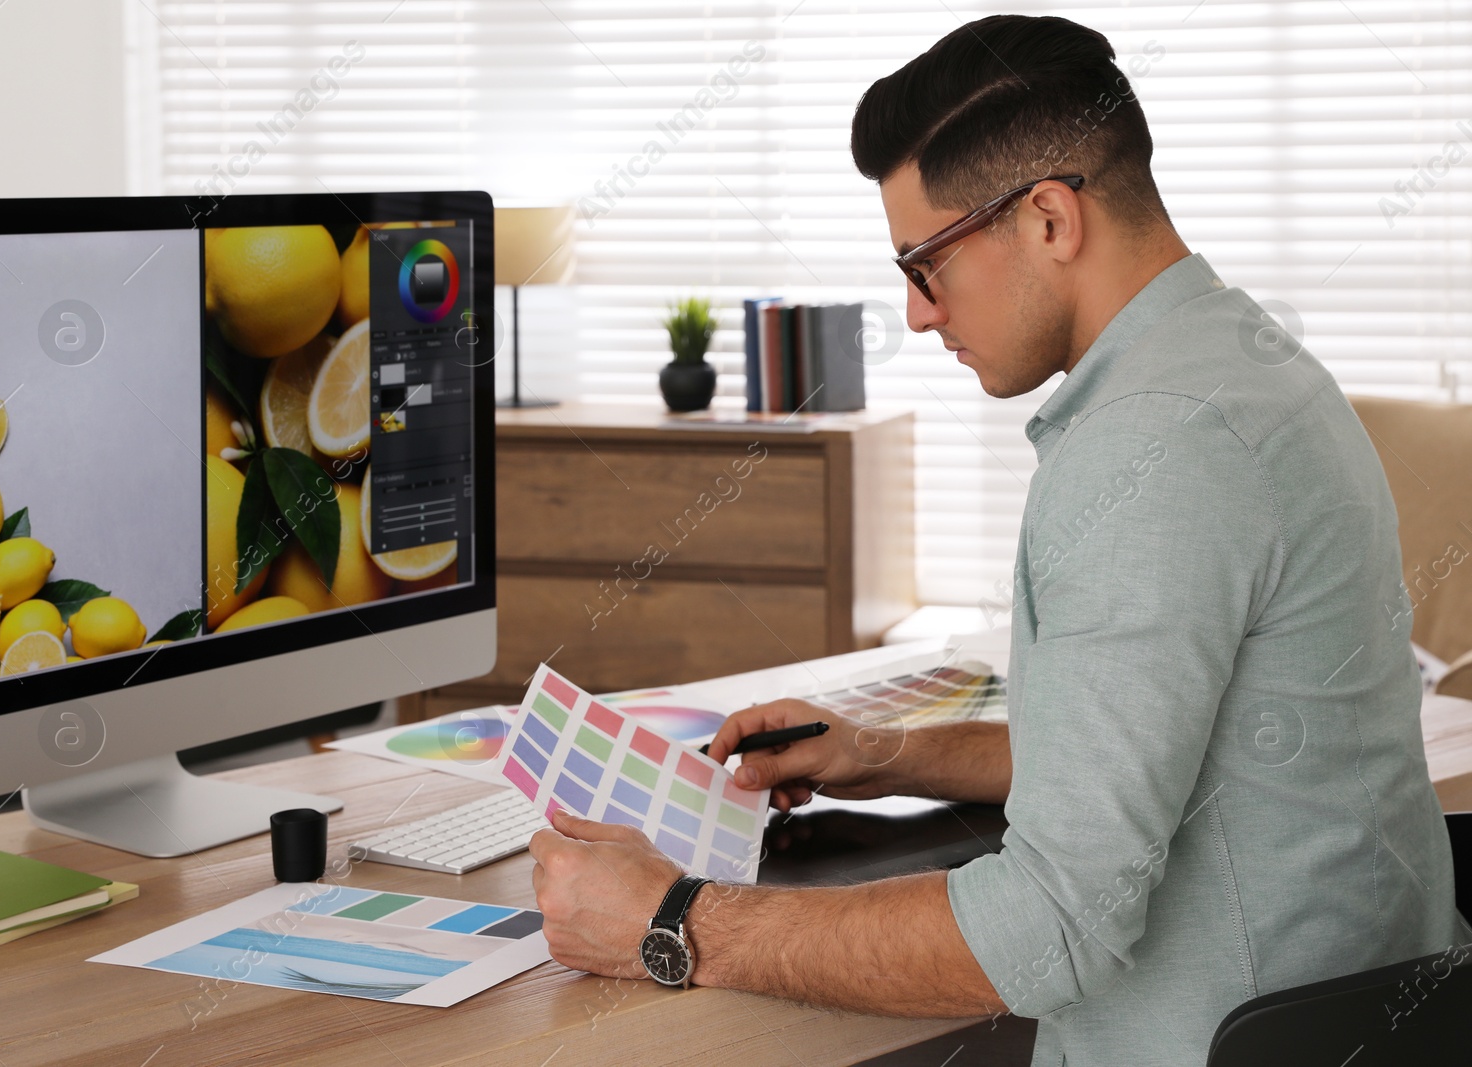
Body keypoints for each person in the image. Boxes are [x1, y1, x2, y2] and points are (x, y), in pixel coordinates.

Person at [529, 14, 1463, 1065]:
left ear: (1049, 218)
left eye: (924, 263)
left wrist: (675, 920)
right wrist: (891, 753)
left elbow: (1051, 928)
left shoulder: (1147, 449)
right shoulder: (1251, 365)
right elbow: (1174, 748)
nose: (917, 314)